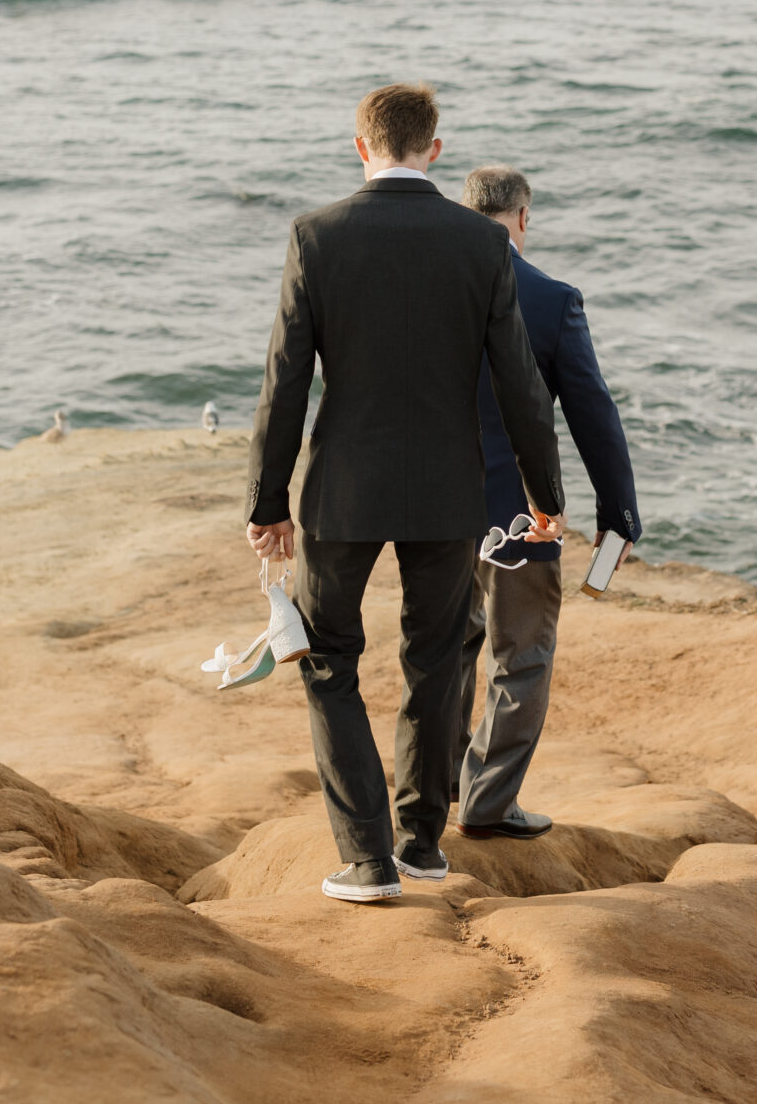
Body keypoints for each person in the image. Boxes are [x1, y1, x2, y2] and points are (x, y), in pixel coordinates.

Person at [244, 86, 565, 904]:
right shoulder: (478, 243)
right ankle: (421, 842)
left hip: (341, 493)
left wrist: (266, 502)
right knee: (433, 663)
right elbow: (520, 384)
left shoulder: (316, 235)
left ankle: (366, 860)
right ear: (435, 148)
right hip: (447, 491)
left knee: (329, 664)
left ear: (361, 147)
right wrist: (544, 493)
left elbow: (284, 381)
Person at [454, 166, 640, 840]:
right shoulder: (552, 299)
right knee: (521, 654)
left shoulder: (424, 292)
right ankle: (488, 802)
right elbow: (594, 416)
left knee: (447, 645)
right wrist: (617, 516)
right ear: (522, 218)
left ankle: (438, 784)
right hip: (521, 515)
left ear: (464, 213)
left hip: (433, 509)